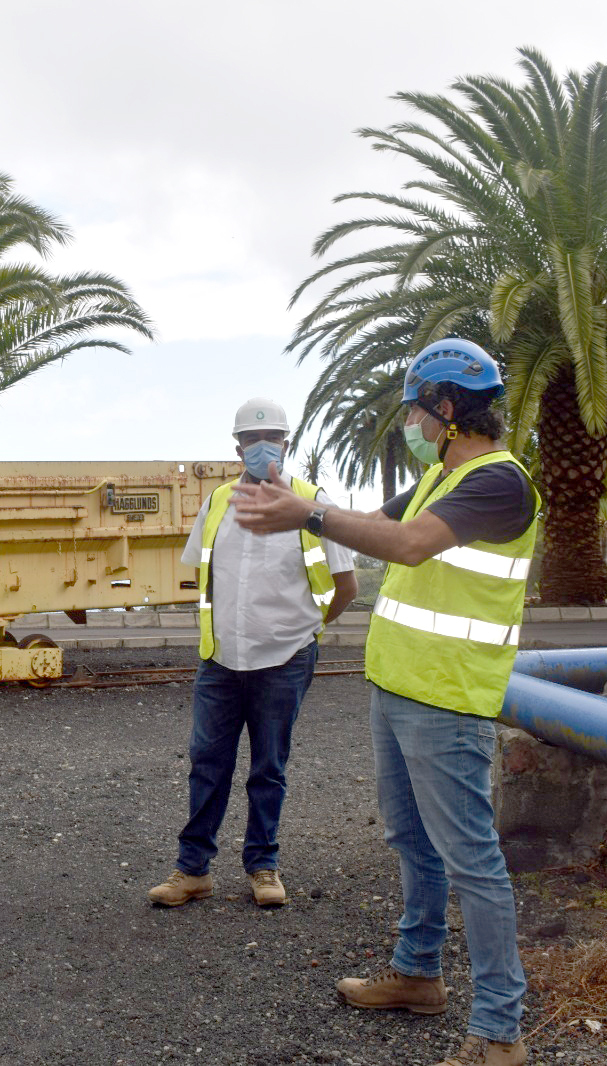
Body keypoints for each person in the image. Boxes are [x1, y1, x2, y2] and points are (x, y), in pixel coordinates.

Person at [233, 340, 539, 1066]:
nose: (410, 422)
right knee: (411, 841)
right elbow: (371, 520)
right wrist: (298, 496)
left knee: (472, 860)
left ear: (445, 407)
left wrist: (304, 516)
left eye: (415, 409)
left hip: (447, 698)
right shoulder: (442, 475)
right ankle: (417, 975)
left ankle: (500, 1033)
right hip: (400, 687)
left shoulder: (499, 483)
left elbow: (404, 546)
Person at [149, 398, 356, 909]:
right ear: (237, 446)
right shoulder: (218, 501)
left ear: (287, 443)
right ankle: (192, 870)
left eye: (274, 436)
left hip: (285, 660)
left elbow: (346, 585)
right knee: (207, 765)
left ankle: (263, 866)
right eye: (253, 437)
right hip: (220, 661)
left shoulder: (311, 502)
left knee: (269, 767)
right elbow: (201, 574)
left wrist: (307, 631)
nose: (263, 445)